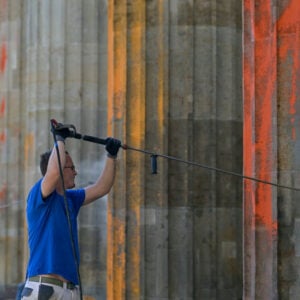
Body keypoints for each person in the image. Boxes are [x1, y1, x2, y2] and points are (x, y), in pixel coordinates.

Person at [20, 121, 121, 300]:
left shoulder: (72, 199)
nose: (75, 172)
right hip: (44, 287)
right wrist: (59, 140)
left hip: (70, 291)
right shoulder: (39, 196)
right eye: (71, 168)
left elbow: (102, 187)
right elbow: (53, 172)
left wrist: (111, 156)